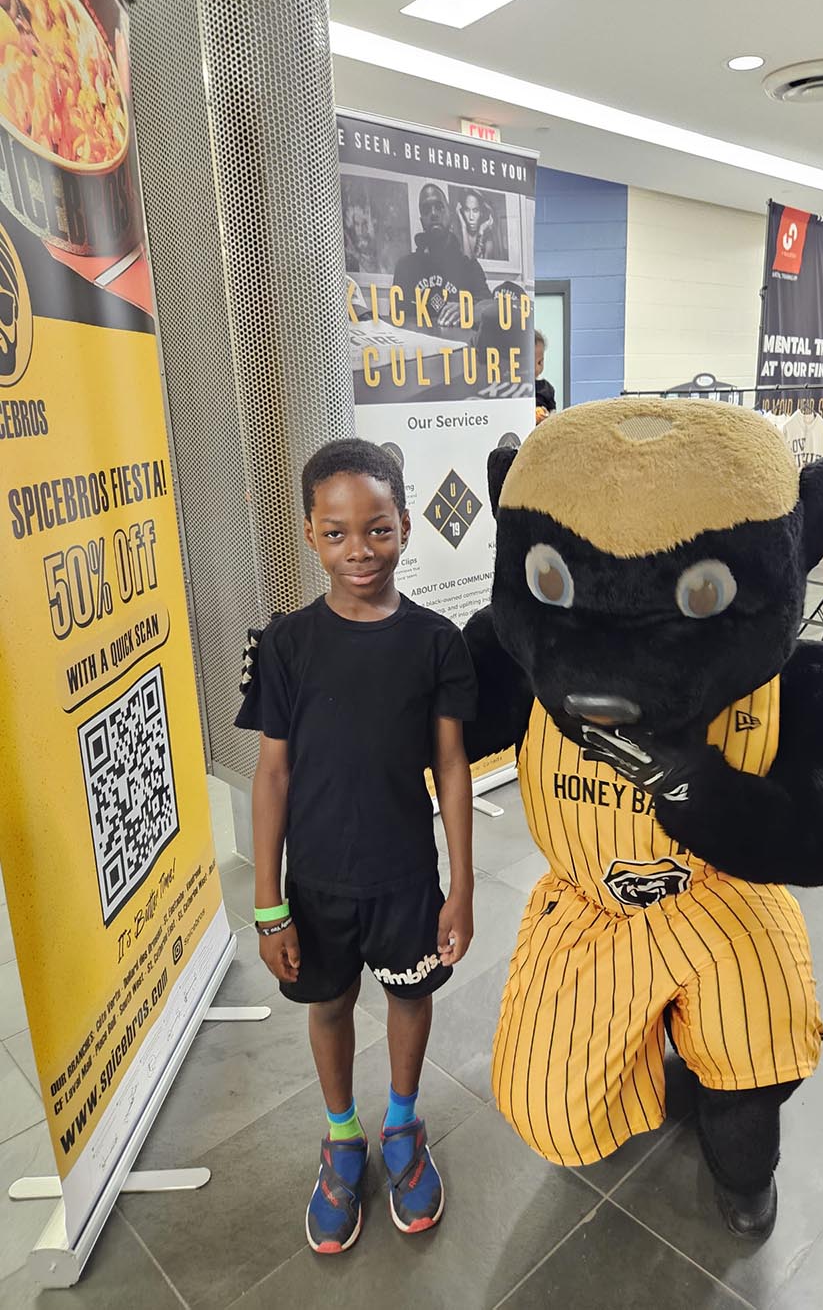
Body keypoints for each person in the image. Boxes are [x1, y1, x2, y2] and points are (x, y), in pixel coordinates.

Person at [236, 438, 476, 1254]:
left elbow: (451, 766)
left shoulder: (436, 641)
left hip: (405, 877)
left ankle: (402, 1125)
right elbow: (272, 774)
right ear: (310, 534)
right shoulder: (287, 645)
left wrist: (461, 886)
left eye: (377, 528)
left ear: (405, 523)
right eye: (336, 533)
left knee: (410, 995)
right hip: (317, 885)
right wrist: (269, 906)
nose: (359, 550)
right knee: (330, 1003)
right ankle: (343, 1137)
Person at [392, 183, 493, 330]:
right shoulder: (405, 267)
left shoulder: (469, 266)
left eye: (439, 207)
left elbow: (490, 308)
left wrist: (468, 309)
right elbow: (397, 321)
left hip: (461, 344)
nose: (433, 213)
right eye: (426, 209)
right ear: (422, 221)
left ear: (449, 214)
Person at [454, 189, 497, 261]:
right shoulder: (455, 238)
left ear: (481, 212)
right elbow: (466, 262)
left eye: (475, 211)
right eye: (467, 210)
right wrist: (463, 227)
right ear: (462, 212)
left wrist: (481, 232)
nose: (471, 217)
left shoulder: (488, 242)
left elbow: (475, 266)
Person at [534, 329, 556, 423]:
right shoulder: (513, 388)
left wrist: (548, 417)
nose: (537, 368)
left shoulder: (547, 388)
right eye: (530, 362)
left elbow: (553, 412)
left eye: (540, 362)